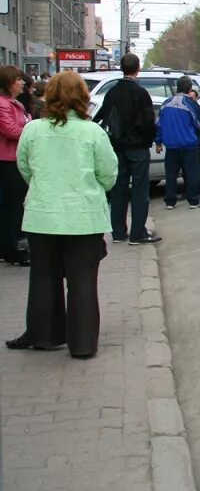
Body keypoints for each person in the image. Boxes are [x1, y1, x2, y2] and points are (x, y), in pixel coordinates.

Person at [5, 71, 118, 358]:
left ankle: (45, 334)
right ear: (83, 97)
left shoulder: (33, 130)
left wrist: (45, 188)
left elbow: (25, 167)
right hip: (82, 217)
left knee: (43, 277)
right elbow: (108, 173)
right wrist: (94, 188)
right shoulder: (93, 132)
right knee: (82, 281)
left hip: (43, 215)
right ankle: (82, 344)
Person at [93, 53, 160, 245]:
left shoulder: (113, 92)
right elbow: (148, 122)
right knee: (139, 189)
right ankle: (138, 232)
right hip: (137, 147)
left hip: (117, 146)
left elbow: (103, 117)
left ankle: (118, 232)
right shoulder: (141, 93)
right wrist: (150, 139)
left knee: (119, 188)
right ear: (138, 68)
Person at [155, 76, 200, 211]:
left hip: (171, 145)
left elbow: (159, 124)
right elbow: (199, 124)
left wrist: (159, 141)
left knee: (170, 174)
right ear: (189, 89)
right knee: (191, 173)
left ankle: (170, 201)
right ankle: (193, 200)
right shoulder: (190, 104)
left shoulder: (166, 103)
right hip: (189, 144)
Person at [0, 66, 30, 265]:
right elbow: (11, 131)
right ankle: (14, 249)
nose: (23, 83)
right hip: (7, 161)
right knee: (13, 207)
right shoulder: (3, 105)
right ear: (9, 82)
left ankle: (12, 247)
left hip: (15, 159)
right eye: (18, 79)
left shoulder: (15, 104)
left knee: (15, 206)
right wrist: (30, 130)